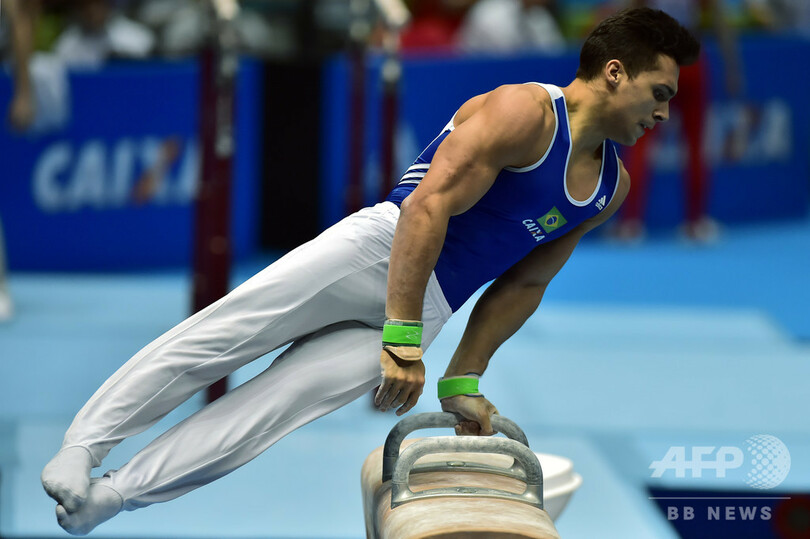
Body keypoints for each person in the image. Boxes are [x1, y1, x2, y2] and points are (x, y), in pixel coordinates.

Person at [41, 7, 699, 535]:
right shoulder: (523, 114)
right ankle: (84, 447)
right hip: (379, 252)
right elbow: (427, 207)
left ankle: (116, 495)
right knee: (225, 336)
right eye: (659, 93)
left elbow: (524, 282)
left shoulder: (607, 187)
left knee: (271, 410)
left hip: (433, 304)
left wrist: (462, 376)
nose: (664, 113)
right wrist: (402, 339)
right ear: (615, 72)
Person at [609, 0, 743, 242]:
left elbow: (630, 16)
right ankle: (695, 223)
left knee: (641, 141)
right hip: (691, 61)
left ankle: (630, 224)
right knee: (695, 144)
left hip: (656, 63)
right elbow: (719, 22)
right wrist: (732, 66)